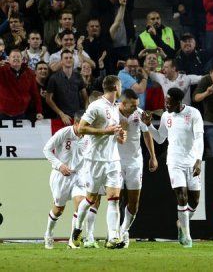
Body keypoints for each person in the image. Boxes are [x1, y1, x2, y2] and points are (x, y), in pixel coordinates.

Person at [70, 75, 127, 249]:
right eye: (121, 85)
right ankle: (77, 231)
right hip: (94, 160)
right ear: (116, 87)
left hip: (112, 160)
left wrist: (119, 137)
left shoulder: (115, 108)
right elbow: (81, 128)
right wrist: (105, 131)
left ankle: (113, 238)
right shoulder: (96, 106)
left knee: (114, 199)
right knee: (90, 199)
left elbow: (113, 133)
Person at [143, 88, 204, 248]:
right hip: (174, 161)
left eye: (169, 103)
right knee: (182, 197)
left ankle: (181, 224)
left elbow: (199, 138)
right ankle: (187, 236)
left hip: (191, 161)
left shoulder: (193, 114)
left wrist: (198, 160)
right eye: (165, 102)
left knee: (195, 201)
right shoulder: (166, 116)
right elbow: (160, 138)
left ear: (179, 102)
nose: (166, 105)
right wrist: (149, 126)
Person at [117, 89, 158, 247]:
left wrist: (153, 156)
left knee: (134, 202)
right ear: (123, 103)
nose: (136, 108)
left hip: (135, 162)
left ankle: (124, 230)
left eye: (137, 105)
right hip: (116, 161)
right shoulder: (113, 114)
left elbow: (146, 134)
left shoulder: (139, 114)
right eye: (133, 105)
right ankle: (115, 234)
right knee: (116, 199)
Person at [43, 111, 86, 249]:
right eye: (84, 124)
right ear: (76, 123)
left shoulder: (89, 136)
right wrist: (59, 165)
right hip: (60, 176)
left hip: (78, 176)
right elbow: (47, 149)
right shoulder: (64, 133)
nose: (87, 127)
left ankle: (73, 241)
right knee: (59, 209)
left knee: (81, 205)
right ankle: (48, 234)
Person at [0, 48, 42, 120]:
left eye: (18, 57)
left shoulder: (30, 73)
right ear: (8, 59)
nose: (16, 59)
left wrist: (39, 111)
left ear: (22, 59)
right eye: (13, 57)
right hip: (2, 113)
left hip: (21, 113)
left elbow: (35, 94)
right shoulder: (2, 71)